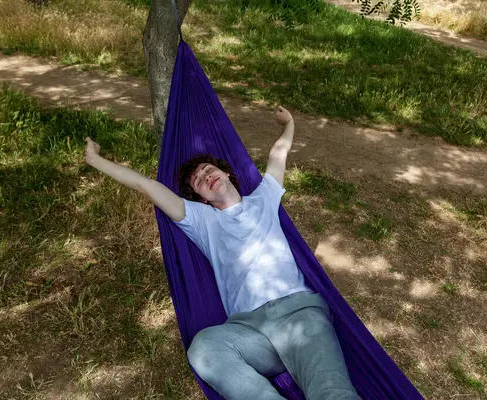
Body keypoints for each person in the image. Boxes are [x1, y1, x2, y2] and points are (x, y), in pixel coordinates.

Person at [84, 106, 360, 400]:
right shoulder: (202, 220)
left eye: (208, 169)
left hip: (300, 316)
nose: (205, 176)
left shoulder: (264, 198)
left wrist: (289, 123)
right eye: (199, 180)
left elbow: (278, 153)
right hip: (249, 332)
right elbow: (146, 185)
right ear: (200, 198)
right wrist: (95, 159)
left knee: (332, 393)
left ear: (227, 172)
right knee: (203, 348)